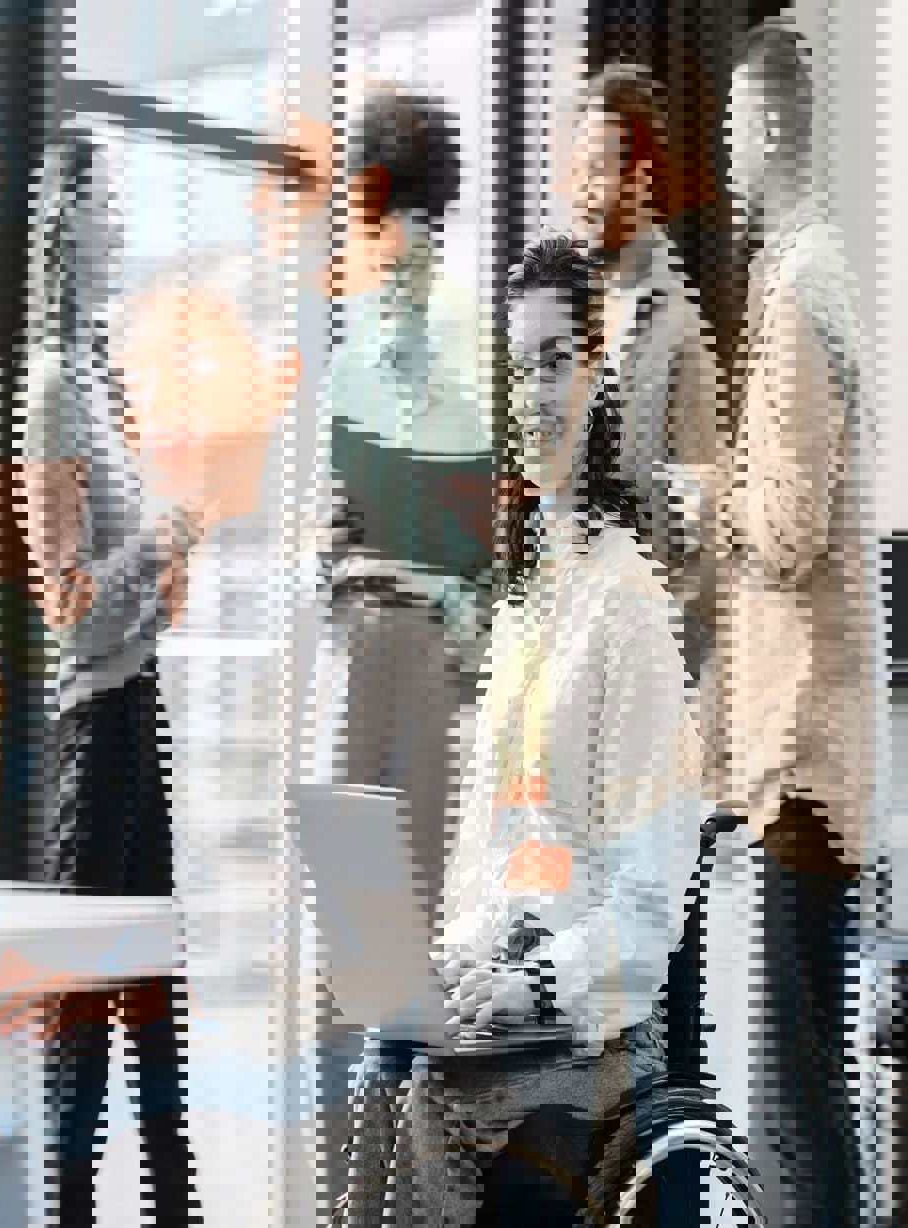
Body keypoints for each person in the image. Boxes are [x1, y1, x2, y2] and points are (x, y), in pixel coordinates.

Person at [336, 237, 703, 1228]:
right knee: (382, 1070)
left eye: (556, 360)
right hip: (505, 1016)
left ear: (599, 378)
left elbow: (646, 910)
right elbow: (491, 857)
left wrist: (532, 983)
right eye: (518, 368)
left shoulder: (628, 613)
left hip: (583, 1045)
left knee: (409, 1117)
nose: (535, 394)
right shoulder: (523, 605)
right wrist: (452, 960)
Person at [16, 130, 202, 1228]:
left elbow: (137, 601)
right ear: (63, 227)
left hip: (142, 721)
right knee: (82, 1061)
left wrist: (173, 555)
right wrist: (158, 540)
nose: (119, 225)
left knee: (158, 1035)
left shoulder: (105, 381)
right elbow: (67, 606)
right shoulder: (50, 388)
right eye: (103, 206)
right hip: (90, 741)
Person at [721, 21, 879, 1224]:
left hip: (803, 759)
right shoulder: (816, 279)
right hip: (816, 746)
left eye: (732, 131)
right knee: (802, 1081)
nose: (725, 160)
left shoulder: (797, 288)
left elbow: (783, 527)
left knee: (798, 1092)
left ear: (771, 129)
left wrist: (709, 487)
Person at [304, 87, 492, 914]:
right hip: (415, 626)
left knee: (365, 878)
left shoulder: (400, 318)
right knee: (413, 878)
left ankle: (370, 1042)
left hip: (389, 622)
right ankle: (395, 1044)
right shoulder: (447, 322)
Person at [566, 64, 725, 731]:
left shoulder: (676, 327)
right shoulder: (566, 302)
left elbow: (700, 527)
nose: (580, 188)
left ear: (640, 180)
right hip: (565, 642)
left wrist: (661, 677)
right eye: (576, 167)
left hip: (637, 663)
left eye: (597, 168)